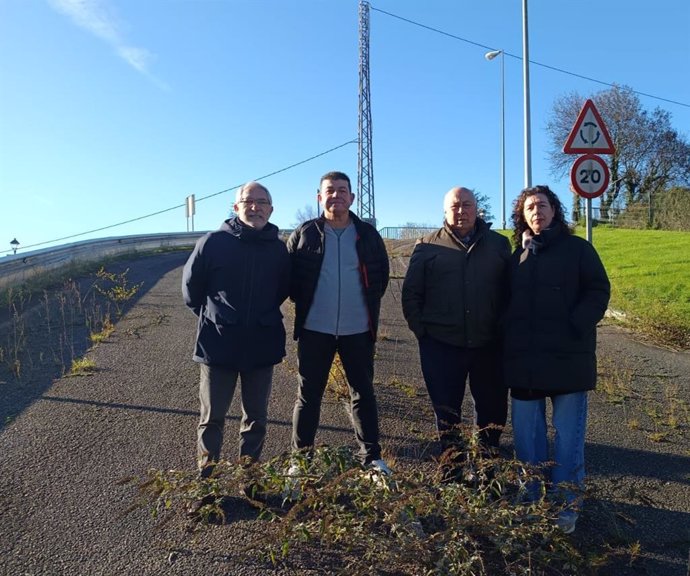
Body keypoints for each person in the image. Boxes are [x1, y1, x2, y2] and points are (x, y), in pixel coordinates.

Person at [503, 185, 610, 534]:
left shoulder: (578, 250)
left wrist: (576, 323)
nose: (537, 212)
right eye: (530, 208)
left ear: (555, 210)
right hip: (525, 363)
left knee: (567, 439)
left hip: (568, 360)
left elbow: (598, 290)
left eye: (543, 205)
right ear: (523, 216)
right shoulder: (515, 257)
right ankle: (530, 497)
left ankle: (566, 505)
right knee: (527, 439)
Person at [182, 181, 290, 480]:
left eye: (261, 202)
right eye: (248, 201)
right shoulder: (213, 243)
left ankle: (249, 480)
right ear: (236, 207)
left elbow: (282, 290)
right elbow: (191, 291)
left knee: (256, 418)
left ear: (271, 209)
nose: (254, 207)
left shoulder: (279, 250)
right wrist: (216, 318)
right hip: (218, 345)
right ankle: (207, 484)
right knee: (212, 418)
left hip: (262, 343)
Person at [287, 171, 391, 475]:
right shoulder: (305, 233)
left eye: (342, 190)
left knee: (363, 392)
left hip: (358, 330)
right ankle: (301, 460)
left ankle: (372, 459)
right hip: (314, 330)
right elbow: (290, 279)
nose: (336, 196)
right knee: (308, 396)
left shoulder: (368, 235)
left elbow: (380, 277)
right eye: (330, 191)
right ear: (320, 197)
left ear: (352, 198)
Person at [401, 186, 511, 463]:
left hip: (489, 345)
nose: (461, 211)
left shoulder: (499, 245)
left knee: (492, 412)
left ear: (477, 209)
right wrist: (423, 333)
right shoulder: (427, 246)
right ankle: (452, 471)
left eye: (467, 205)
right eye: (455, 206)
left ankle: (487, 469)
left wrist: (503, 328)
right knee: (447, 414)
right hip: (441, 346)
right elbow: (412, 294)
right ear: (445, 211)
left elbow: (511, 290)